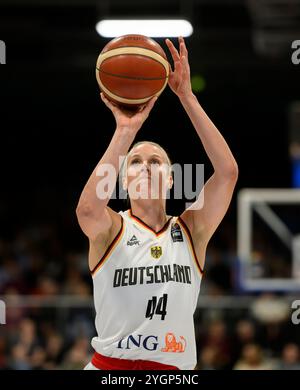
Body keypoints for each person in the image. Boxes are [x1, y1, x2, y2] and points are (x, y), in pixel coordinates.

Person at [76, 37, 238, 370]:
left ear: (171, 178)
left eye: (157, 161)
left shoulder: (192, 229)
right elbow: (88, 210)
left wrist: (187, 97)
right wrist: (126, 130)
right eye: (136, 162)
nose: (147, 166)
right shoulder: (113, 228)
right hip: (111, 369)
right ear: (121, 181)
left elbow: (227, 172)